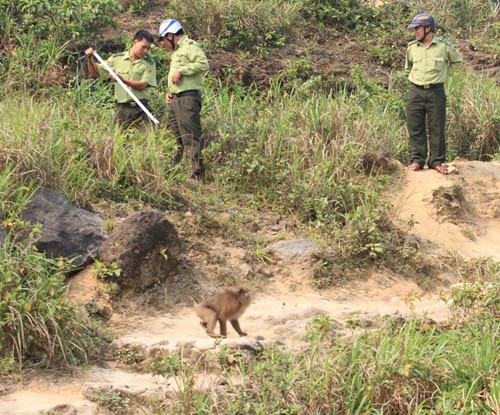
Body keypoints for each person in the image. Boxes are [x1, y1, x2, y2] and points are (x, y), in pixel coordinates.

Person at [405, 13, 462, 175]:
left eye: (418, 28)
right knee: (415, 126)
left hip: (435, 92)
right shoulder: (412, 47)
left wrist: (445, 75)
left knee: (437, 126)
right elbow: (408, 67)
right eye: (414, 28)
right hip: (415, 91)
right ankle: (417, 160)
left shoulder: (444, 46)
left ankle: (436, 161)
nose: (415, 32)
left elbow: (457, 61)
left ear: (428, 28)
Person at [157, 19, 209, 181]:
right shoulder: (177, 52)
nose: (164, 44)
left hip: (187, 98)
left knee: (190, 136)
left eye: (164, 40)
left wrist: (181, 70)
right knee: (173, 135)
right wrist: (170, 91)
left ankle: (196, 175)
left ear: (171, 35)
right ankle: (173, 172)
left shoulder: (190, 46)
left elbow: (203, 64)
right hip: (176, 99)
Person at [84, 30, 157, 130]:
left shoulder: (149, 63)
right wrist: (90, 59)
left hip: (141, 108)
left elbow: (143, 85)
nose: (145, 51)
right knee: (121, 142)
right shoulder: (117, 59)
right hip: (122, 109)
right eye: (143, 47)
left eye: (148, 48)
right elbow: (95, 72)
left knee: (146, 141)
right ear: (135, 42)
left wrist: (123, 81)